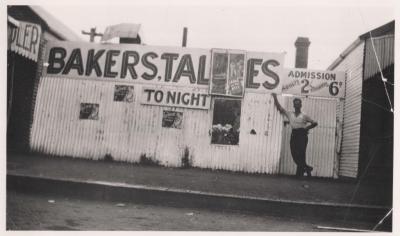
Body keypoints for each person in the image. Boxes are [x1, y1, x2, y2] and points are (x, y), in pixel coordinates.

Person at [272, 93, 318, 177]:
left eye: (298, 103)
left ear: (301, 105)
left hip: (302, 135)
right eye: (295, 103)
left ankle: (299, 174)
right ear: (293, 105)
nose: (297, 105)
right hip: (294, 134)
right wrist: (275, 97)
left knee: (301, 153)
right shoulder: (290, 114)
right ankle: (307, 168)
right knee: (294, 153)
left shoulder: (304, 115)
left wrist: (307, 128)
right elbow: (279, 108)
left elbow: (315, 123)